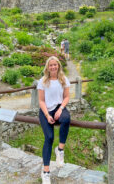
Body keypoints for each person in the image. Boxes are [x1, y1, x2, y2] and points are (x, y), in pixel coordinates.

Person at [38, 56, 71, 184]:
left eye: (55, 65)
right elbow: (41, 101)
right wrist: (47, 115)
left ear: (58, 66)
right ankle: (46, 172)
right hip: (45, 110)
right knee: (49, 138)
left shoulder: (64, 79)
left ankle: (60, 149)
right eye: (50, 65)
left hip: (58, 107)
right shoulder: (43, 81)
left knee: (66, 118)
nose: (53, 67)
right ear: (47, 67)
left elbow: (67, 97)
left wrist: (61, 108)